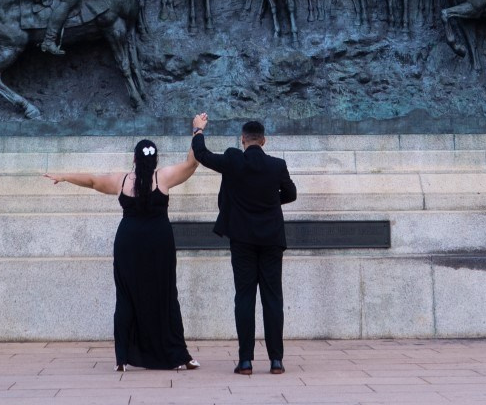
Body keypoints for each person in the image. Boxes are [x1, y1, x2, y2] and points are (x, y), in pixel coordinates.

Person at [45, 140, 202, 372]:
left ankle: (122, 358)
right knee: (166, 296)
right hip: (159, 243)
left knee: (126, 297)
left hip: (128, 243)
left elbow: (92, 181)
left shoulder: (122, 180)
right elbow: (192, 163)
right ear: (156, 159)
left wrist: (65, 176)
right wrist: (198, 131)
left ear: (135, 159)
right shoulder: (164, 177)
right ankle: (178, 354)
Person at [191, 112, 297, 376]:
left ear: (242, 140)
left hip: (242, 240)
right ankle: (276, 361)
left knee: (245, 298)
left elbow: (202, 155)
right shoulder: (277, 165)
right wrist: (269, 203)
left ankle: (246, 361)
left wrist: (198, 130)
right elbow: (291, 194)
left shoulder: (232, 160)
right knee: (273, 299)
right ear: (264, 141)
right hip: (272, 239)